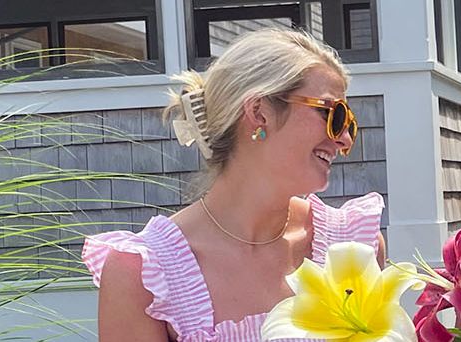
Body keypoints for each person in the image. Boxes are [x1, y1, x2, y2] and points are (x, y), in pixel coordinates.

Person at [82, 28, 383, 342]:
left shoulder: (352, 246)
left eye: (349, 124)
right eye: (333, 115)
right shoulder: (144, 273)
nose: (345, 139)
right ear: (258, 112)